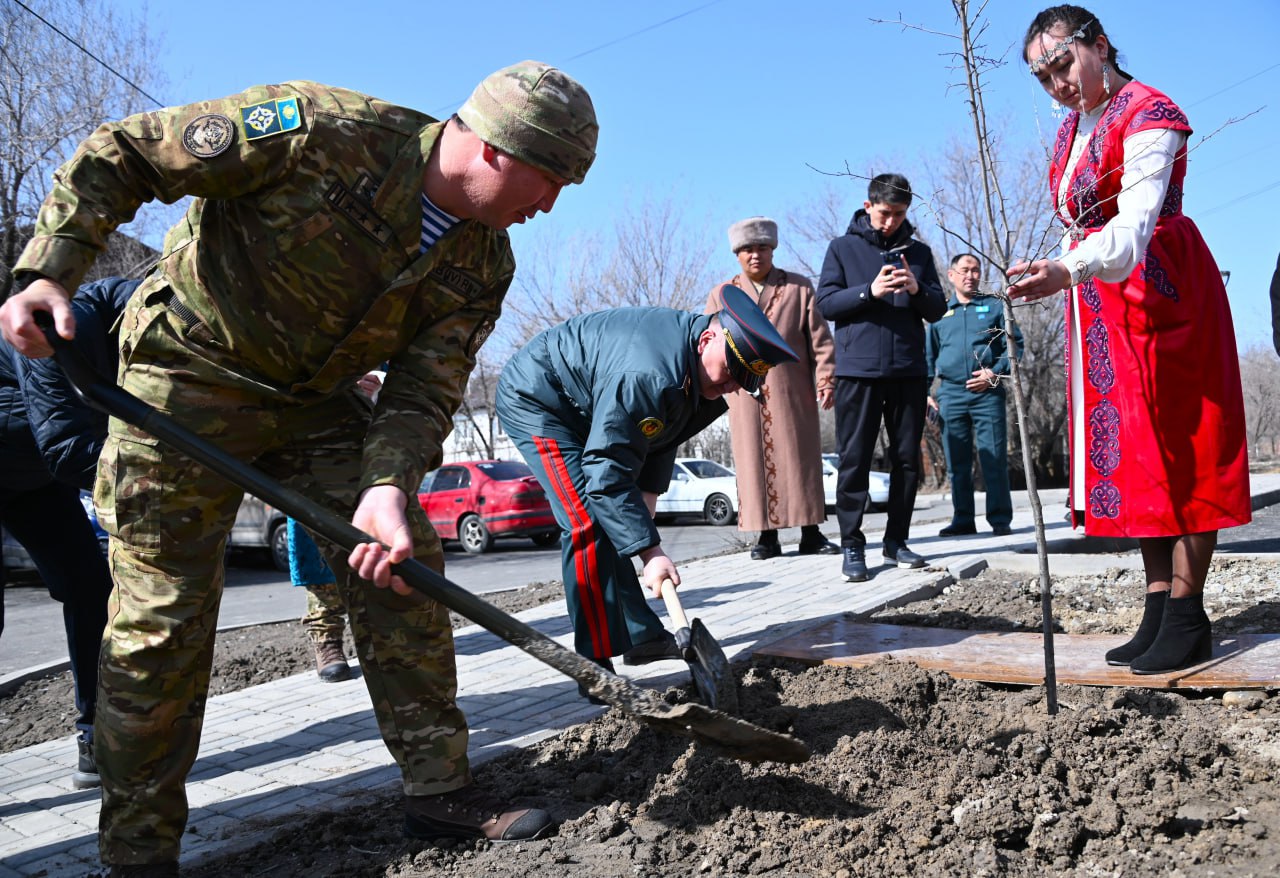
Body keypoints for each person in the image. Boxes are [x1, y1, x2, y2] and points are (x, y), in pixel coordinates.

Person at [0, 60, 597, 874]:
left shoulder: (485, 264)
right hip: (188, 373)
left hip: (315, 400)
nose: (550, 204)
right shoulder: (321, 132)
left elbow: (425, 387)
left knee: (402, 566)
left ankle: (440, 792)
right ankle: (138, 854)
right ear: (498, 149)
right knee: (160, 618)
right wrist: (50, 268)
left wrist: (386, 487)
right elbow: (129, 152)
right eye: (552, 179)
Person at [1008, 6, 1250, 675]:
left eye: (1062, 64)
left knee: (1185, 446)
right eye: (1043, 77)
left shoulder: (1151, 113)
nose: (1057, 84)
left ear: (1100, 45)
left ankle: (1188, 613)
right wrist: (1059, 267)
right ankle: (1157, 605)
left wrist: (1068, 268)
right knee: (1140, 457)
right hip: (1103, 305)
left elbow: (1136, 220)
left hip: (1164, 289)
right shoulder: (1074, 126)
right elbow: (1080, 221)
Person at [495, 284, 797, 700]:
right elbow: (606, 472)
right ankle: (593, 665)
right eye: (730, 372)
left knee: (616, 518)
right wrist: (651, 554)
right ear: (707, 339)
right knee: (585, 521)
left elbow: (663, 429)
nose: (731, 386)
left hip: (590, 404)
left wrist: (648, 494)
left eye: (741, 381)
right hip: (539, 399)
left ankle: (639, 637)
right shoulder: (650, 374)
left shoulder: (695, 370)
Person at [0, 276, 140, 790]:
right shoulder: (60, 327)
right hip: (38, 461)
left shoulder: (154, 348)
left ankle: (95, 735)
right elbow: (67, 448)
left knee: (88, 587)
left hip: (31, 480)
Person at [816, 174, 948, 582]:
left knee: (907, 460)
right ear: (868, 205)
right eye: (885, 213)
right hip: (858, 372)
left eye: (899, 214)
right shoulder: (842, 248)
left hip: (908, 370)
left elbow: (938, 309)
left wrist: (917, 290)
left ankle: (896, 541)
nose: (891, 221)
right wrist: (868, 291)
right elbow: (826, 304)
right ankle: (852, 545)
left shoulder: (919, 253)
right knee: (854, 459)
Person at [707, 217, 838, 560]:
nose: (755, 255)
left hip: (792, 390)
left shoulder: (798, 287)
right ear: (737, 254)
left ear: (772, 250)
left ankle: (811, 532)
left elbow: (820, 339)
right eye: (748, 249)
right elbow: (708, 342)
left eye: (762, 248)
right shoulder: (721, 294)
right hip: (743, 394)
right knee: (753, 462)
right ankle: (766, 537)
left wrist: (826, 378)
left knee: (801, 458)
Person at [289, 370, 384, 683]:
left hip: (365, 446)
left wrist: (376, 388)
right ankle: (326, 638)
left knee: (377, 548)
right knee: (318, 551)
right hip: (308, 444)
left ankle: (383, 637)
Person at [926, 253, 1022, 537]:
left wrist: (995, 372)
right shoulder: (939, 313)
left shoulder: (995, 307)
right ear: (951, 275)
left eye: (976, 270)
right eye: (965, 270)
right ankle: (963, 519)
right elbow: (928, 357)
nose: (971, 275)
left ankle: (1000, 519)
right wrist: (926, 393)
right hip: (951, 395)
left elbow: (1015, 346)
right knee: (957, 462)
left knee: (994, 457)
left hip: (987, 393)